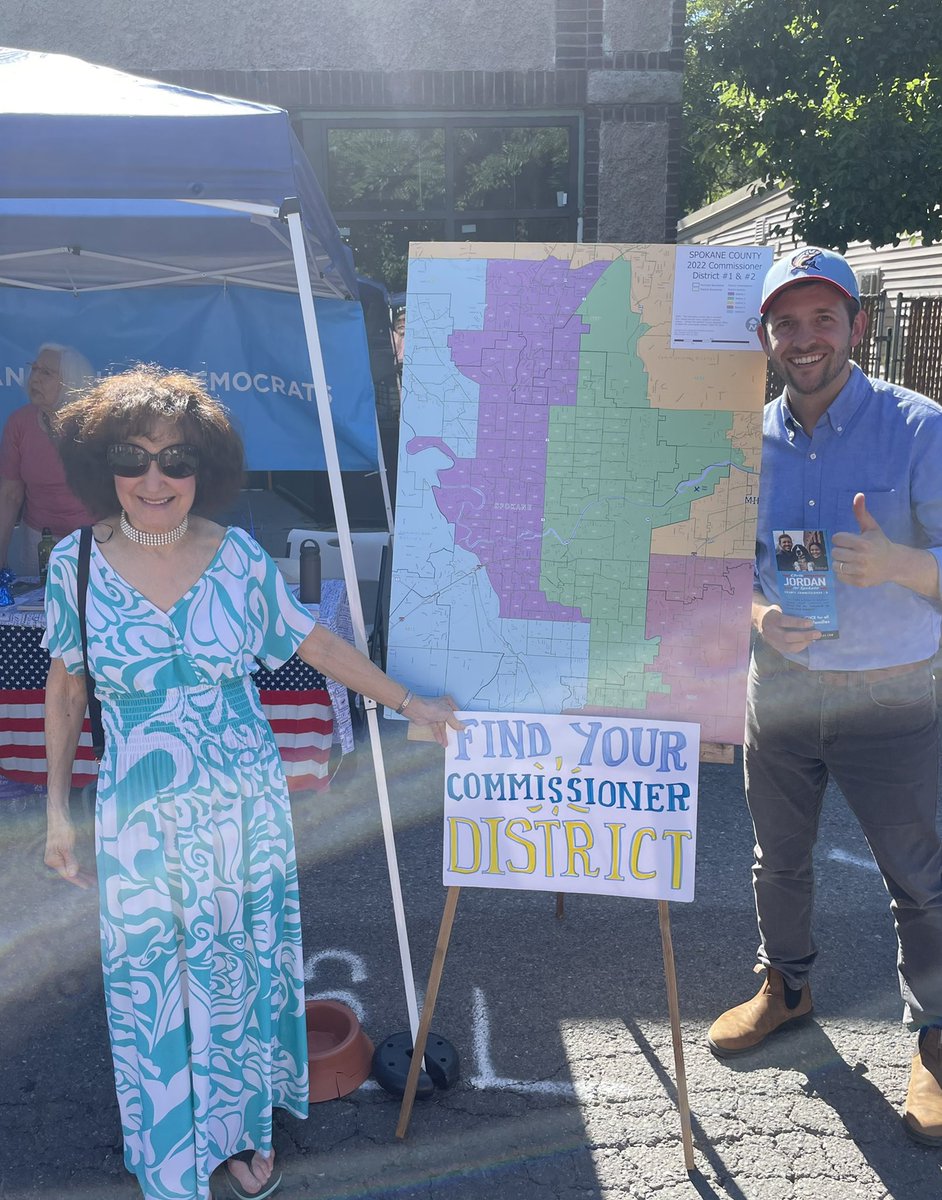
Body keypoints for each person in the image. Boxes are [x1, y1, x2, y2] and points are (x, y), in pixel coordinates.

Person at [41, 366, 462, 1200]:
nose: (154, 479)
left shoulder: (236, 558)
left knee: (234, 975)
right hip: (137, 815)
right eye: (133, 458)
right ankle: (170, 1147)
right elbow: (65, 688)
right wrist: (57, 813)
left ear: (206, 469)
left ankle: (237, 1132)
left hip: (239, 807)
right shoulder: (75, 563)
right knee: (151, 982)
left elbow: (317, 646)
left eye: (177, 459)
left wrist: (413, 701)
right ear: (103, 466)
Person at [706, 247, 942, 1145]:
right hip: (787, 690)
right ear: (765, 336)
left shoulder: (919, 429)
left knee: (919, 883)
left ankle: (938, 1035)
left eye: (822, 319)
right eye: (786, 323)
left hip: (893, 697)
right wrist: (761, 614)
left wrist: (902, 565)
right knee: (778, 860)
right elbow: (726, 568)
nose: (804, 339)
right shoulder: (743, 437)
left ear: (857, 327)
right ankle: (787, 986)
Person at [0, 343, 96, 576]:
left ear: (71, 382)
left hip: (93, 541)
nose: (35, 378)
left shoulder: (97, 426)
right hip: (38, 541)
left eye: (46, 373)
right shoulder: (19, 423)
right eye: (34, 369)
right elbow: (10, 494)